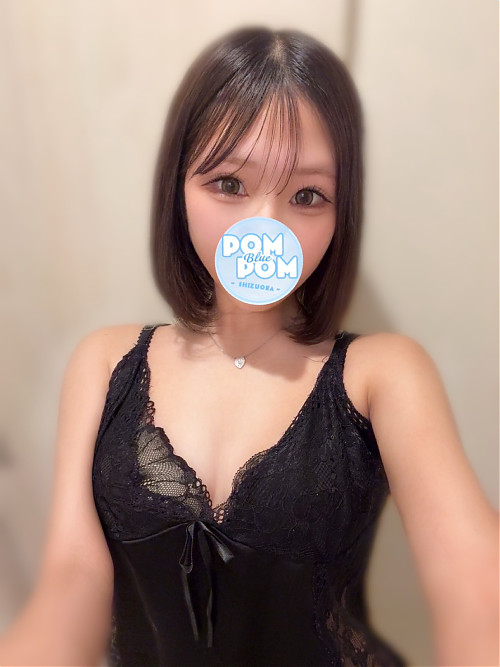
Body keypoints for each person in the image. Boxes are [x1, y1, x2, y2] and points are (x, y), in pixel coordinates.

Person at [1, 25, 498, 667]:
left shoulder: (384, 374)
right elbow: (71, 582)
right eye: (230, 184)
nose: (265, 228)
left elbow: (478, 592)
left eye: (307, 195)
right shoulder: (104, 364)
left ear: (340, 213)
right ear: (178, 187)